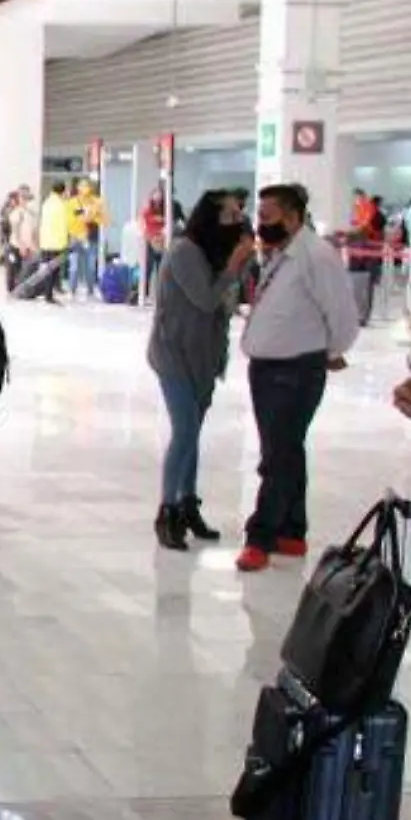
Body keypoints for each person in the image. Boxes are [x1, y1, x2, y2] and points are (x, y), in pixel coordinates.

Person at [237, 183, 361, 573]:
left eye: (267, 216)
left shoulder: (316, 256)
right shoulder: (281, 254)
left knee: (278, 454)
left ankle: (260, 537)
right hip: (267, 368)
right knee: (287, 450)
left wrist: (330, 352)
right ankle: (292, 530)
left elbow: (342, 315)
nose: (261, 223)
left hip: (295, 370)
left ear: (292, 217)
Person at [147, 190, 255, 551]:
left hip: (205, 358)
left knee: (193, 433)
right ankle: (167, 510)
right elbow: (206, 299)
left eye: (239, 215)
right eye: (229, 216)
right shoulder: (184, 252)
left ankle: (187, 503)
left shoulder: (213, 253)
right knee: (185, 430)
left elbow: (226, 306)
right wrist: (232, 267)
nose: (236, 222)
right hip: (175, 355)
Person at [140, 185, 186, 305]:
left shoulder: (173, 206)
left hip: (165, 241)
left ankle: (162, 295)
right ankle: (144, 293)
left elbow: (181, 222)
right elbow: (144, 222)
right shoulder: (149, 207)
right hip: (150, 241)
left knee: (162, 268)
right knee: (148, 268)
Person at [67, 177, 109, 300]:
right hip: (76, 238)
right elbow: (70, 220)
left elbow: (104, 219)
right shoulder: (72, 203)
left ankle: (90, 290)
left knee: (90, 266)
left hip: (91, 238)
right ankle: (72, 289)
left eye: (87, 185)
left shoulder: (97, 202)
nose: (85, 188)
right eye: (82, 185)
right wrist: (85, 216)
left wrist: (93, 215)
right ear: (78, 188)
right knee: (74, 266)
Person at [38, 182, 71, 305]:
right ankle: (49, 295)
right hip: (56, 243)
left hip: (46, 242)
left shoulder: (47, 203)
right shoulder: (61, 205)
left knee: (48, 269)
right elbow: (66, 223)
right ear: (62, 191)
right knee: (54, 270)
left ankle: (48, 293)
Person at [5, 185, 39, 295]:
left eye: (27, 198)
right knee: (13, 269)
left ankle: (21, 290)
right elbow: (16, 231)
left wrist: (34, 244)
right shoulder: (17, 212)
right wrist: (21, 246)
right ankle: (12, 290)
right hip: (15, 246)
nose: (25, 201)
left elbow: (33, 230)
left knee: (24, 270)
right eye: (22, 198)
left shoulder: (31, 214)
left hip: (27, 246)